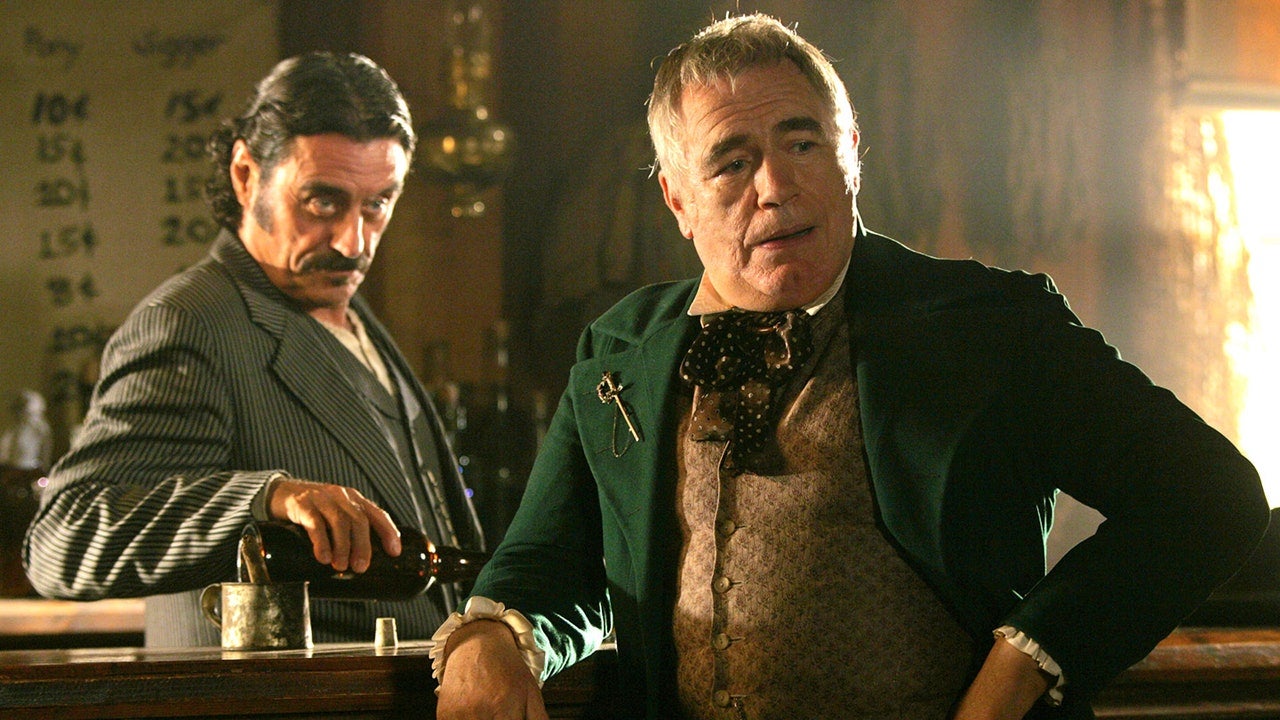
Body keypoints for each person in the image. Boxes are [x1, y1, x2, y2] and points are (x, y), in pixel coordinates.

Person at [430, 14, 1268, 720]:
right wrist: (491, 636)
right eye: (731, 161)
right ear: (678, 200)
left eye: (803, 142)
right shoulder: (620, 349)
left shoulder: (992, 328)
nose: (776, 185)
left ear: (852, 154)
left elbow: (1209, 496)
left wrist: (1026, 663)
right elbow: (550, 563)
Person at [23, 52, 483, 647]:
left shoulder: (348, 308)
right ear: (245, 174)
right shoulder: (191, 322)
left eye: (377, 204)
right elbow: (62, 539)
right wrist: (267, 498)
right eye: (322, 202)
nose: (354, 242)